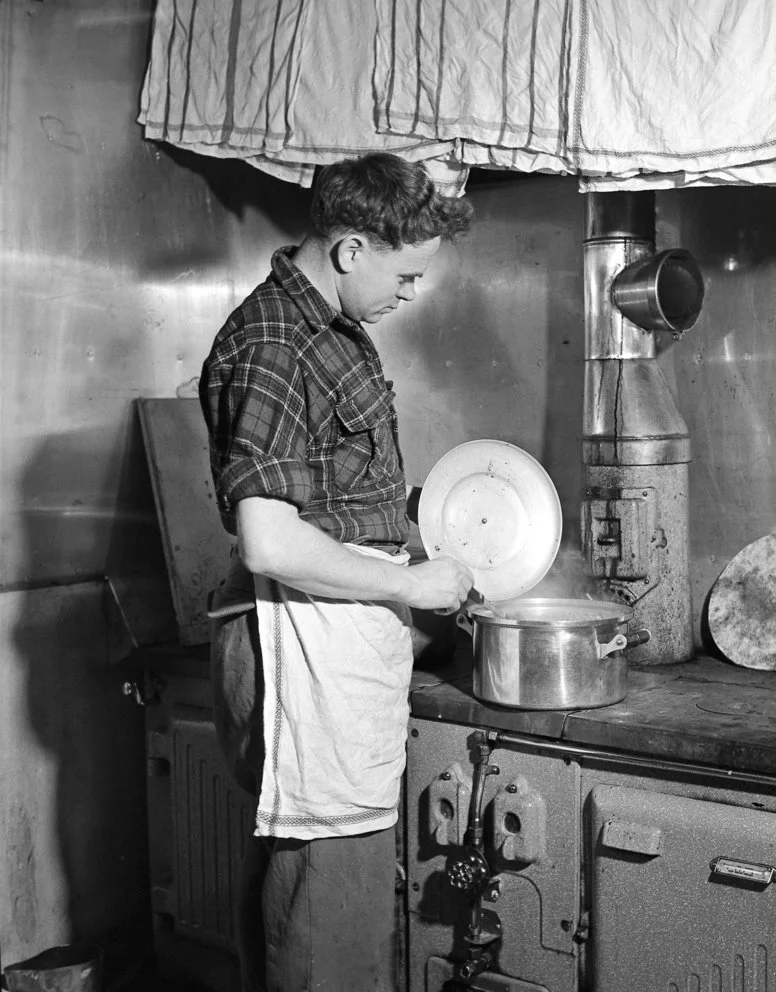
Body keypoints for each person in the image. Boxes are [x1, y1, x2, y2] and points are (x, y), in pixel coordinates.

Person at [199, 152, 476, 992]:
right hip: (298, 649)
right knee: (326, 922)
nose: (412, 291)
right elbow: (270, 542)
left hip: (329, 641)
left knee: (311, 905)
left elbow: (331, 500)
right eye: (407, 271)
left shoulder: (334, 332)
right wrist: (411, 586)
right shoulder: (277, 341)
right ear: (351, 248)